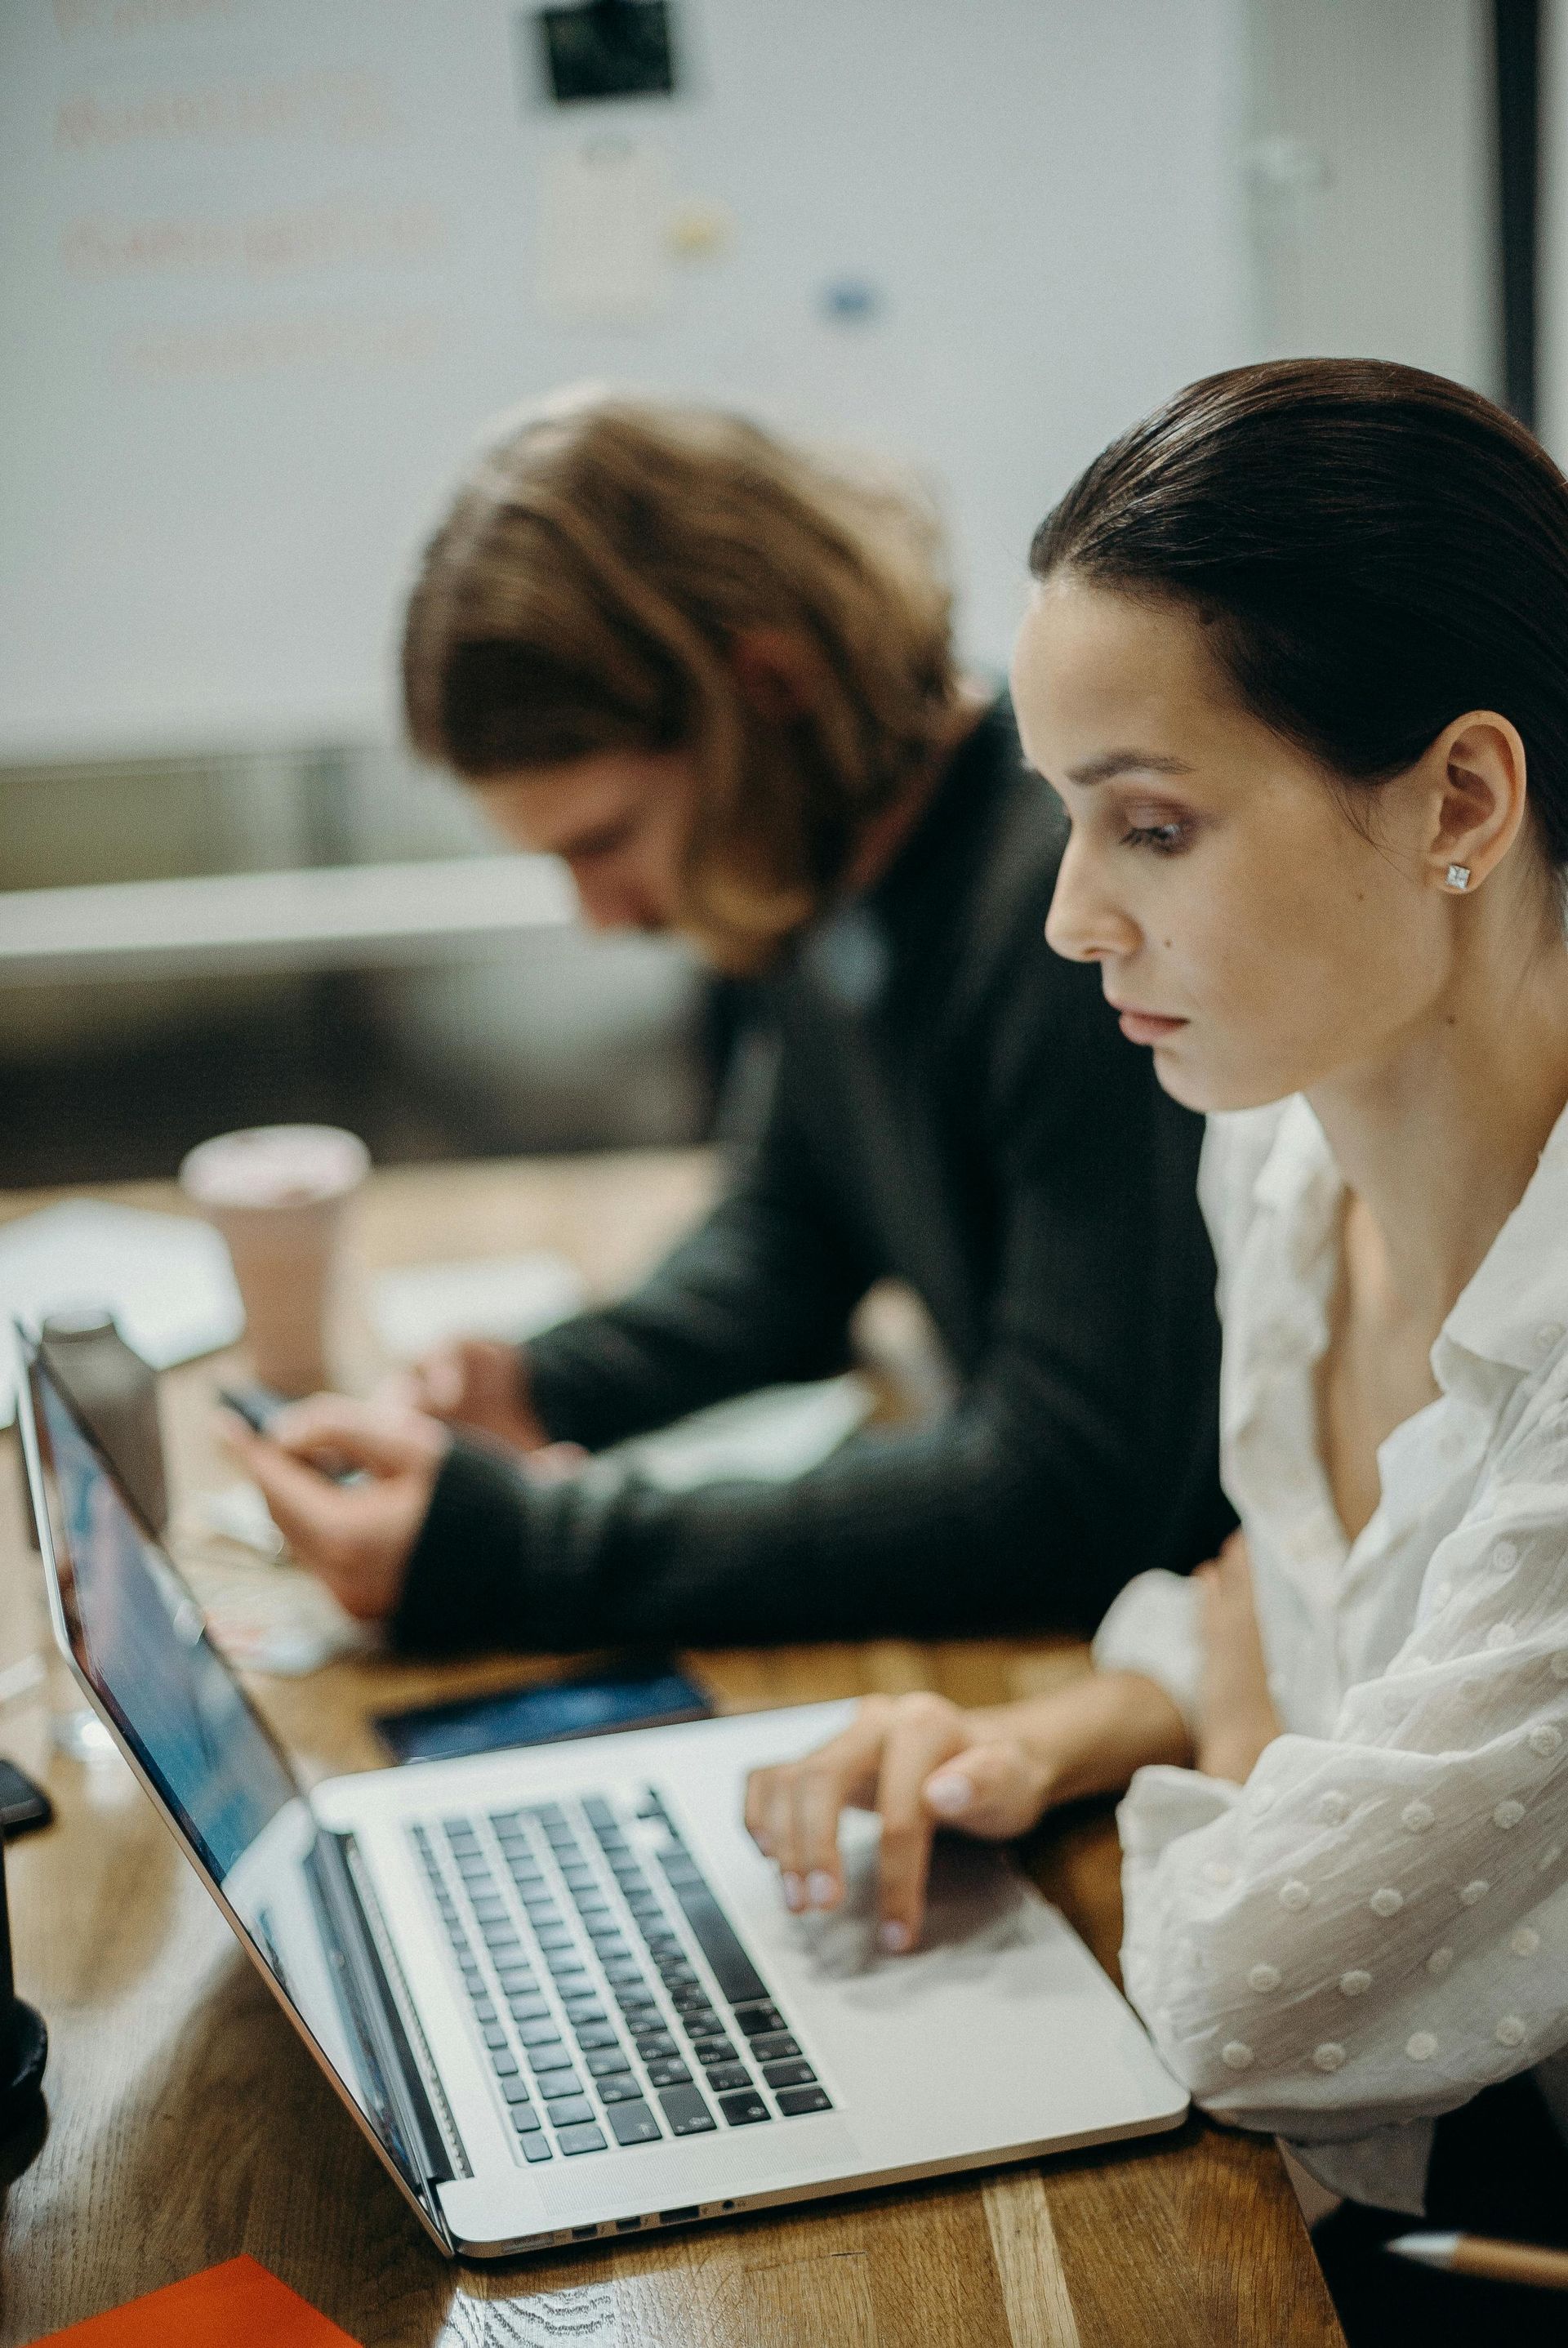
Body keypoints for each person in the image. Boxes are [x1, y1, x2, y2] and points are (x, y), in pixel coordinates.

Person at [744, 359, 1568, 2342]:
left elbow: (1243, 2002)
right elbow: (1303, 1614)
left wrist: (1242, 1719)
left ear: (1460, 798)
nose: (1070, 920)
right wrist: (1051, 1733)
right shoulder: (1276, 1172)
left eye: (1156, 826)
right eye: (1065, 821)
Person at [225, 394, 1229, 1651]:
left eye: (605, 840)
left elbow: (1072, 1495)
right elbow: (794, 1232)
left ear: (769, 686)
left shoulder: (1064, 917)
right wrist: (543, 1382)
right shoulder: (820, 871)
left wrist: (533, 1553)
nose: (601, 914)